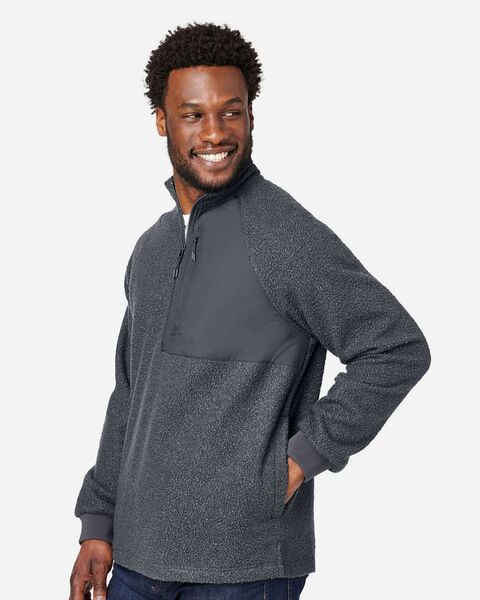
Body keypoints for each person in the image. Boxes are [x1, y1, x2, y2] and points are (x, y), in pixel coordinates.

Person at [69, 22, 431, 600]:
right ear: (162, 121)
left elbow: (395, 348)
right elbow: (130, 391)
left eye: (231, 112)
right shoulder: (152, 247)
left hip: (245, 567)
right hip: (136, 558)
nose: (215, 132)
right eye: (193, 115)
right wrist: (99, 521)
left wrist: (299, 461)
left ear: (251, 116)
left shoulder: (284, 236)